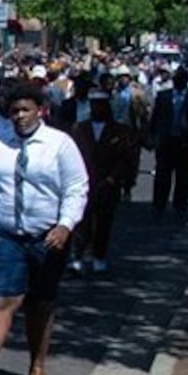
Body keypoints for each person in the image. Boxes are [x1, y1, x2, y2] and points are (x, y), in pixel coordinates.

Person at [0, 81, 89, 375]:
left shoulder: (60, 144)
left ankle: (37, 365)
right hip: (2, 234)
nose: (20, 116)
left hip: (46, 237)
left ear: (40, 111)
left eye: (26, 110)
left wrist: (65, 225)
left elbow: (76, 187)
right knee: (1, 300)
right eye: (14, 111)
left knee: (40, 303)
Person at [69, 86, 140, 273]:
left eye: (101, 105)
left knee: (104, 223)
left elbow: (126, 158)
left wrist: (113, 179)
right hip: (84, 184)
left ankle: (99, 255)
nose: (97, 108)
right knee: (81, 222)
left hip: (108, 184)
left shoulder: (120, 131)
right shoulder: (79, 129)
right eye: (94, 105)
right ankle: (78, 255)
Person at [149, 70, 188, 223]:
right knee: (162, 176)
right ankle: (159, 206)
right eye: (177, 79)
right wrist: (152, 137)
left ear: (186, 81)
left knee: (183, 178)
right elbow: (156, 117)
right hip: (166, 142)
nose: (178, 82)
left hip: (185, 143)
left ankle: (180, 207)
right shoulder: (163, 96)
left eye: (182, 79)